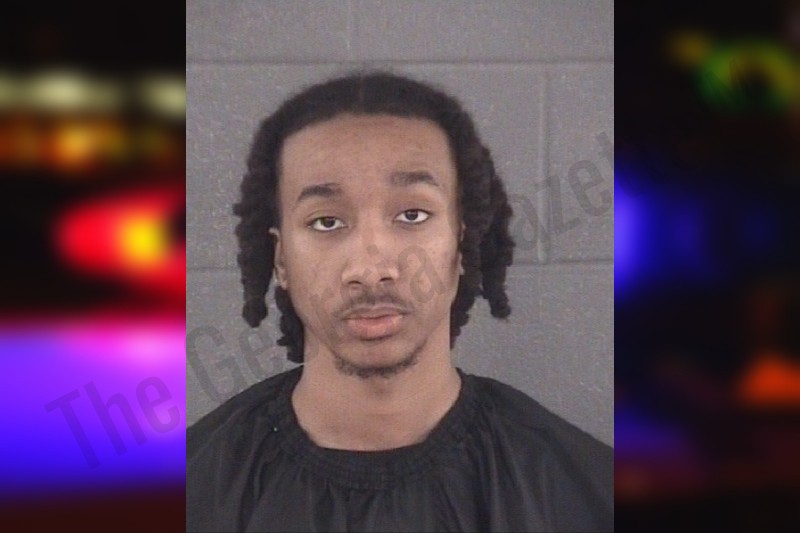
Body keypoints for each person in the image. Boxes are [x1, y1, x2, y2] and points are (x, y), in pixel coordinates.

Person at [186, 71, 613, 532]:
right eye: (327, 222)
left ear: (461, 246)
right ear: (281, 259)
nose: (371, 269)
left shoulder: (585, 494)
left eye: (412, 214)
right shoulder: (193, 489)